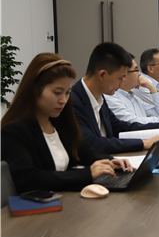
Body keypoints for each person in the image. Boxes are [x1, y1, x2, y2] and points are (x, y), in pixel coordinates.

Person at [1, 53, 132, 194]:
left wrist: (110, 161)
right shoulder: (13, 132)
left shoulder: (58, 124)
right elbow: (29, 179)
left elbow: (84, 151)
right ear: (34, 91)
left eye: (67, 93)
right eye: (57, 92)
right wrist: (87, 174)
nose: (63, 100)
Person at [72, 43, 159, 154]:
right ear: (102, 75)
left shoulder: (99, 97)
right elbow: (91, 142)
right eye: (120, 78)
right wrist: (142, 143)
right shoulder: (73, 102)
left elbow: (118, 126)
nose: (122, 82)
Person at [105, 54, 159, 125]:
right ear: (124, 74)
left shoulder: (133, 97)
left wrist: (152, 89)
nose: (139, 74)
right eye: (136, 70)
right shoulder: (111, 98)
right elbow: (133, 122)